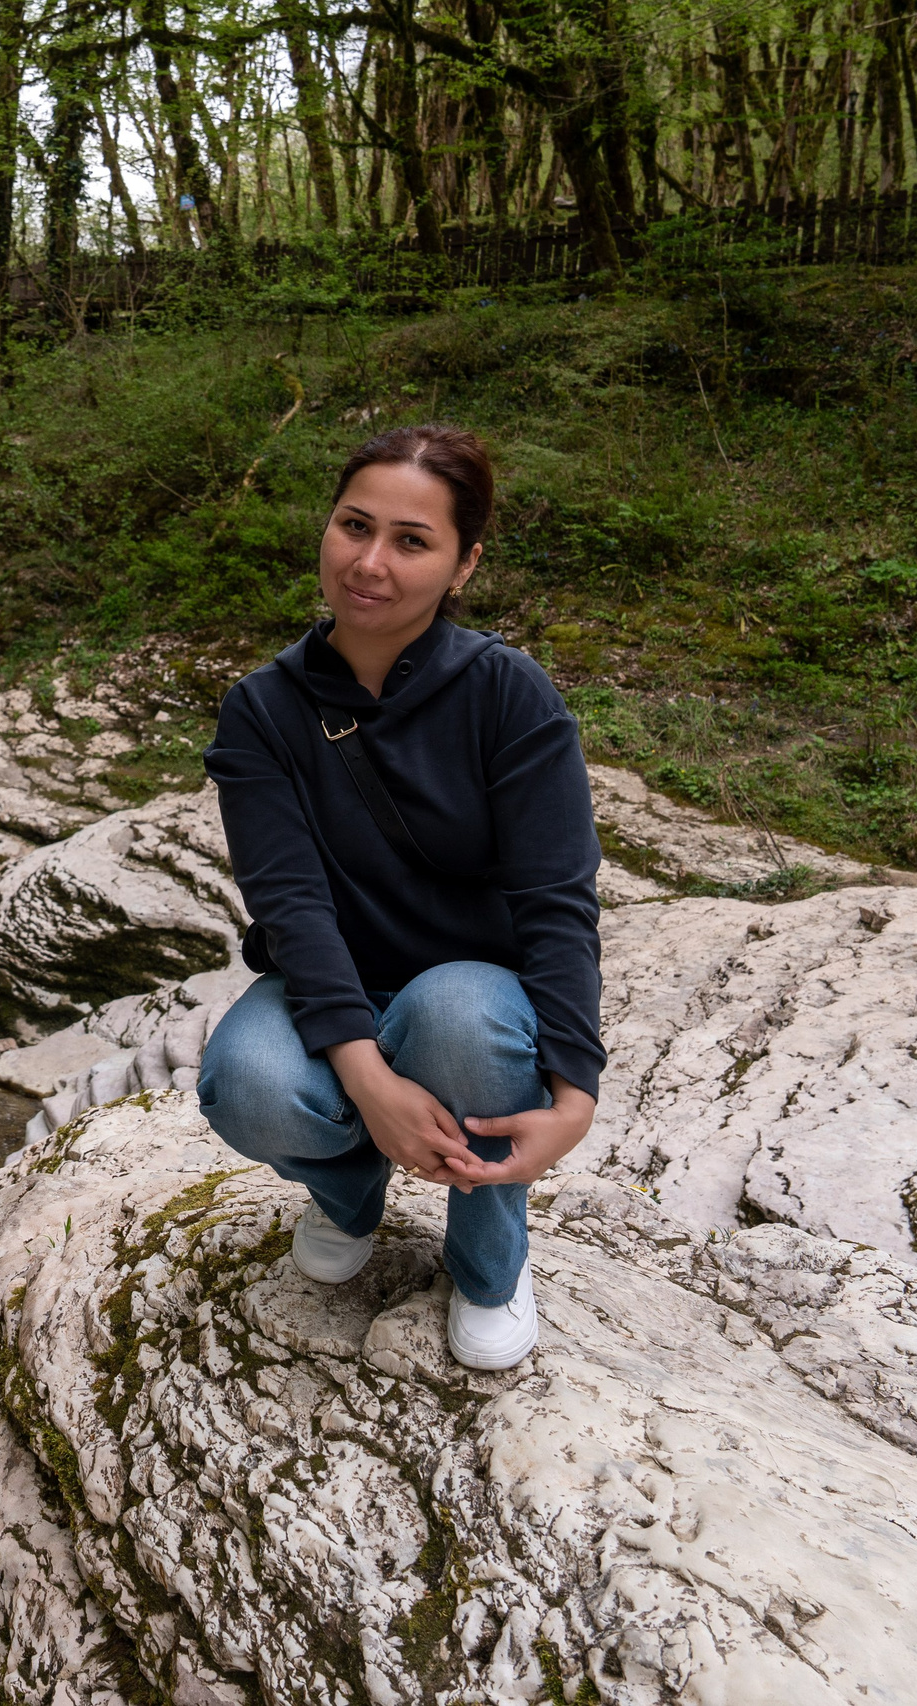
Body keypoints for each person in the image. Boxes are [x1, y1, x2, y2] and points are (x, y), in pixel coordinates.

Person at [197, 424, 603, 1370]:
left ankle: (490, 1262)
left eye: (412, 541)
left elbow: (556, 896)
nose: (370, 562)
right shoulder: (263, 709)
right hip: (334, 981)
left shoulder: (509, 694)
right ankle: (348, 1192)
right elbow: (290, 903)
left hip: (476, 990)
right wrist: (369, 1086)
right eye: (354, 526)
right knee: (244, 1083)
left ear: (464, 566)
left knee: (462, 1013)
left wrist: (576, 1093)